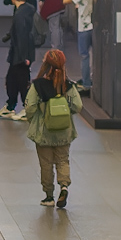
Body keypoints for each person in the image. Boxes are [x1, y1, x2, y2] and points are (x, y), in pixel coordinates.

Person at [24, 48, 83, 208]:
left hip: (43, 133)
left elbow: (29, 107)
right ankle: (64, 187)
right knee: (63, 160)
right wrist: (65, 113)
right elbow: (77, 106)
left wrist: (34, 120)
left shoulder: (38, 85)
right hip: (64, 131)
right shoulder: (68, 85)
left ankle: (49, 196)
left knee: (46, 164)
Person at [0, 0, 36, 120]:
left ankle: (27, 109)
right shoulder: (29, 9)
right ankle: (10, 106)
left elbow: (22, 36)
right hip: (23, 53)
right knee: (12, 80)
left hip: (20, 55)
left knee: (21, 81)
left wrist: (24, 57)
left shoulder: (19, 15)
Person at [64, 0, 94, 91]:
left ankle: (86, 83)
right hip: (93, 26)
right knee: (94, 55)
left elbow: (65, 0)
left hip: (84, 27)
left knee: (84, 55)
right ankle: (91, 79)